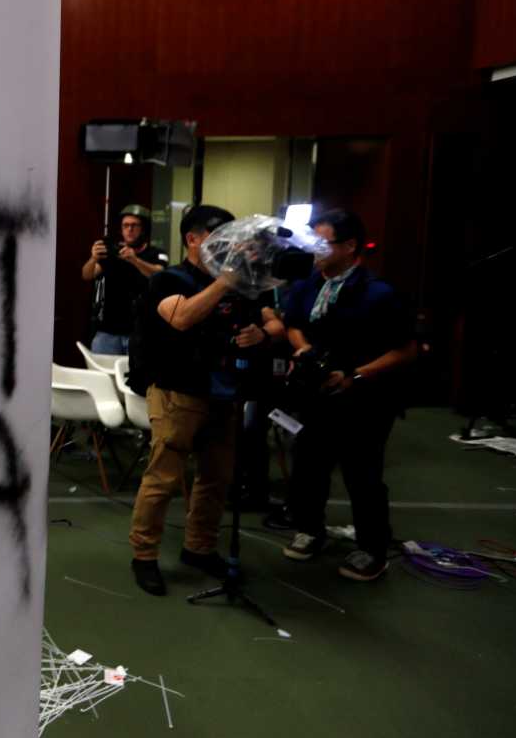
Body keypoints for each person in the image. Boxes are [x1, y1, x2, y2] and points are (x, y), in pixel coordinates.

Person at [125, 205, 283, 596]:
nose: (228, 245)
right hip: (178, 392)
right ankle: (144, 556)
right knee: (163, 478)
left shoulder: (241, 282)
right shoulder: (167, 279)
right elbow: (182, 317)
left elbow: (271, 321)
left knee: (216, 478)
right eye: (218, 237)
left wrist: (261, 335)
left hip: (226, 393)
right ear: (192, 239)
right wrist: (226, 281)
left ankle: (199, 548)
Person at [279, 209, 417, 582]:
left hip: (365, 398)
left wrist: (356, 375)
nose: (314, 250)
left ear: (350, 246)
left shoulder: (378, 293)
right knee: (309, 466)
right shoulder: (307, 284)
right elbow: (292, 324)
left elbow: (406, 350)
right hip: (316, 395)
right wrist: (304, 350)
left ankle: (373, 549)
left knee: (362, 474)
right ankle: (310, 529)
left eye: (322, 243)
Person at [81, 205, 167, 355]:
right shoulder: (113, 252)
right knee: (102, 370)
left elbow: (159, 275)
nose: (129, 229)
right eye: (125, 226)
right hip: (108, 331)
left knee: (139, 370)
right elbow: (87, 275)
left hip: (141, 332)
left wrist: (134, 260)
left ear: (144, 229)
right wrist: (93, 258)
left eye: (134, 225)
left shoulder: (156, 253)